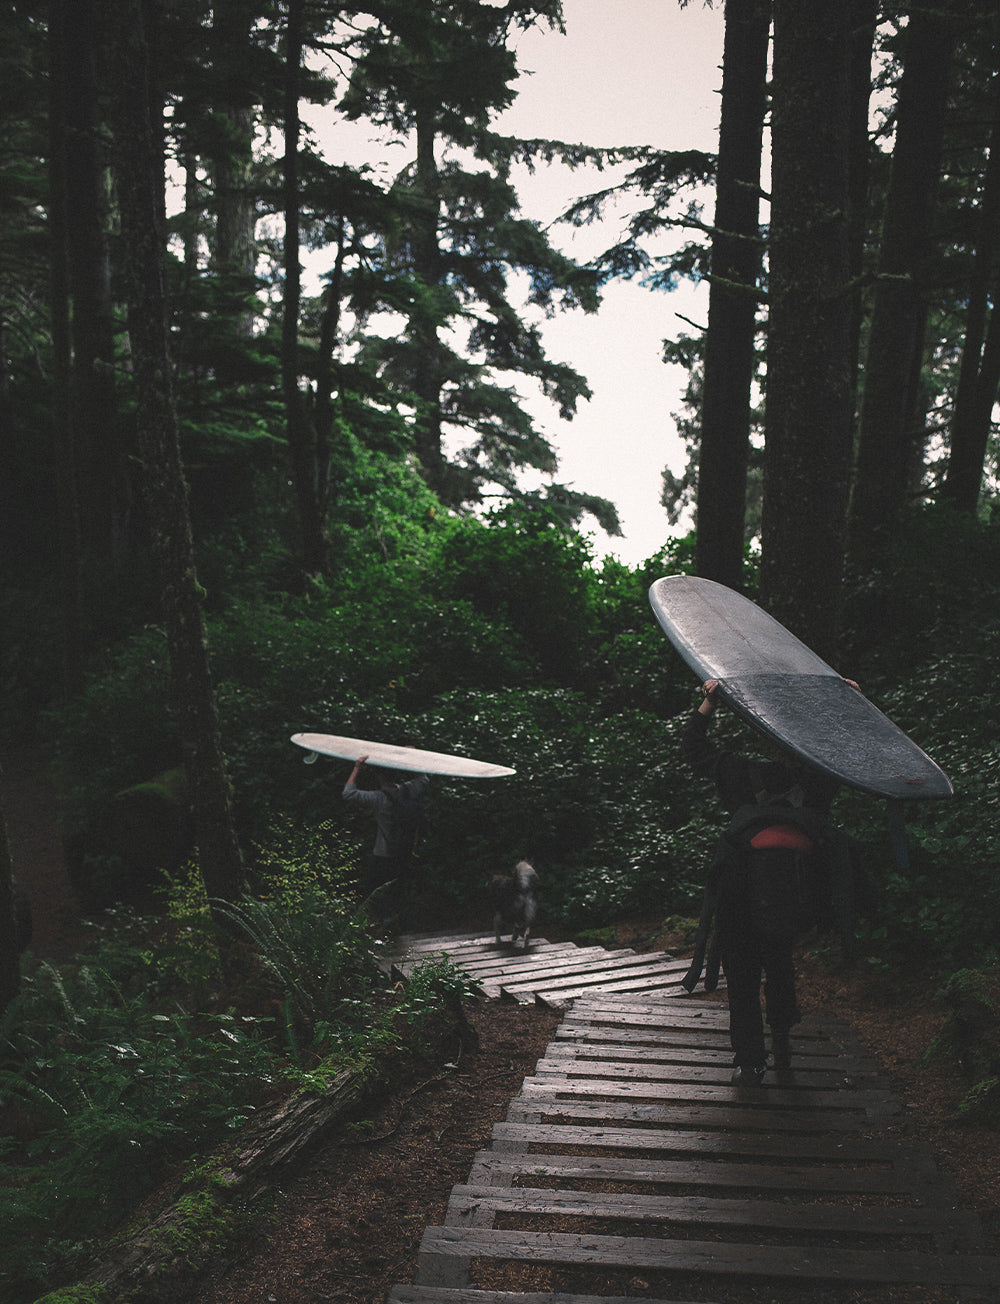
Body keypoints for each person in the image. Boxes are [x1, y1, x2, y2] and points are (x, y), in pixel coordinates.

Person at [681, 678, 845, 1087]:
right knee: (780, 963)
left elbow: (693, 749)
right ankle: (784, 1043)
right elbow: (848, 755)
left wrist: (709, 702)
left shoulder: (739, 771)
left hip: (738, 890)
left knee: (742, 975)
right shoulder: (816, 781)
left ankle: (750, 1062)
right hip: (792, 892)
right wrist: (846, 704)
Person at [342, 755, 429, 931]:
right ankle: (404, 926)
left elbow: (348, 793)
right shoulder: (408, 790)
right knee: (399, 891)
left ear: (379, 777)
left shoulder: (378, 798)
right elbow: (424, 778)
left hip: (383, 853)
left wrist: (357, 767)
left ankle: (387, 919)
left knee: (371, 889)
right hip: (404, 851)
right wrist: (412, 757)